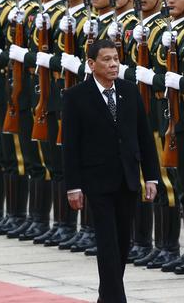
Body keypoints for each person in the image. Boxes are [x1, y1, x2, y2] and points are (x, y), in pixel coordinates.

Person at [62, 39, 160, 303]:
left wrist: (151, 176)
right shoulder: (75, 97)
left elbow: (144, 137)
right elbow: (70, 146)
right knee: (107, 243)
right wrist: (73, 186)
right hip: (96, 181)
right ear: (91, 64)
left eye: (116, 58)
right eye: (106, 59)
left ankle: (106, 297)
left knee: (123, 243)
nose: (113, 64)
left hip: (127, 178)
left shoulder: (130, 91)